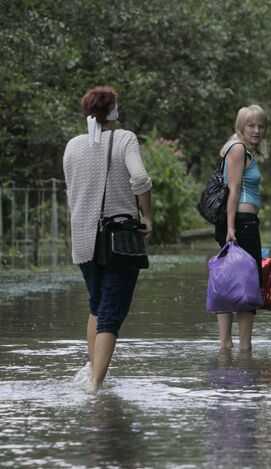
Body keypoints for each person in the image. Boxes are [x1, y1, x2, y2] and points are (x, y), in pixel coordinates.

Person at [64, 86, 153, 391]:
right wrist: (147, 215)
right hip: (118, 240)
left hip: (83, 238)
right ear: (113, 111)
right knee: (112, 313)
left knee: (97, 305)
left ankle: (93, 372)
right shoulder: (125, 138)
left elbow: (71, 191)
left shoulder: (73, 146)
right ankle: (96, 387)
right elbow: (139, 178)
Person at [214, 105, 268, 351]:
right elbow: (233, 190)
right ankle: (242, 346)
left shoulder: (242, 149)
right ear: (241, 127)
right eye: (251, 126)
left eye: (260, 126)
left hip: (240, 223)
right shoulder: (238, 150)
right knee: (248, 283)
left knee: (229, 281)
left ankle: (226, 345)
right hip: (241, 225)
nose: (256, 130)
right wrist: (231, 228)